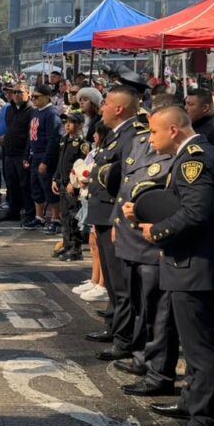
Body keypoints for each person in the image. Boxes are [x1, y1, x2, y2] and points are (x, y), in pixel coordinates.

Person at [129, 106, 214, 426]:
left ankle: (204, 422)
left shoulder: (195, 161)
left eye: (155, 133)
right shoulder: (198, 155)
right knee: (193, 346)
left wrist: (155, 232)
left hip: (195, 267)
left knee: (200, 348)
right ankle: (191, 402)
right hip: (193, 265)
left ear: (173, 130)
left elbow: (196, 213)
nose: (151, 140)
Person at [83, 85, 147, 349]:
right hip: (103, 212)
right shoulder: (116, 133)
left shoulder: (132, 135)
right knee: (113, 281)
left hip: (114, 215)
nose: (102, 108)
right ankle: (114, 325)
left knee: (122, 284)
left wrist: (119, 219)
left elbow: (126, 181)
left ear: (119, 108)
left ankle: (124, 337)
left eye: (106, 103)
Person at [114, 117, 174, 395]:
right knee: (141, 306)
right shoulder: (139, 142)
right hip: (131, 237)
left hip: (152, 243)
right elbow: (125, 186)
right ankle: (143, 358)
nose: (150, 137)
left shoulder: (179, 158)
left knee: (158, 314)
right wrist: (118, 222)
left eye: (155, 131)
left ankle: (157, 371)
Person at [24, 84, 62, 232]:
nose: (34, 99)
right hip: (34, 155)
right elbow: (31, 135)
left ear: (47, 97)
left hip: (45, 156)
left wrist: (46, 161)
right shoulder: (35, 112)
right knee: (35, 187)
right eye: (32, 97)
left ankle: (56, 219)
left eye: (37, 97)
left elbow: (54, 138)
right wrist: (27, 155)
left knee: (49, 189)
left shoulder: (51, 113)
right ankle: (39, 217)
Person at [52, 112, 89, 261]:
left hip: (72, 185)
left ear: (80, 125)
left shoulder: (82, 144)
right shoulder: (64, 140)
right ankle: (67, 246)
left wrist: (72, 183)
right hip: (62, 182)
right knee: (65, 217)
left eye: (71, 122)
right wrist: (55, 178)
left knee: (73, 217)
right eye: (66, 122)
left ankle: (75, 249)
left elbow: (82, 167)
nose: (67, 125)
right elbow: (60, 161)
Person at [0, 82, 34, 222]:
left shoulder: (31, 111)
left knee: (25, 185)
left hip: (22, 154)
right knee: (11, 184)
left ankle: (30, 213)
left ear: (28, 94)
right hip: (9, 153)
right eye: (15, 92)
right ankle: (13, 211)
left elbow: (30, 136)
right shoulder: (10, 109)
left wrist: (27, 155)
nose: (17, 95)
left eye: (20, 92)